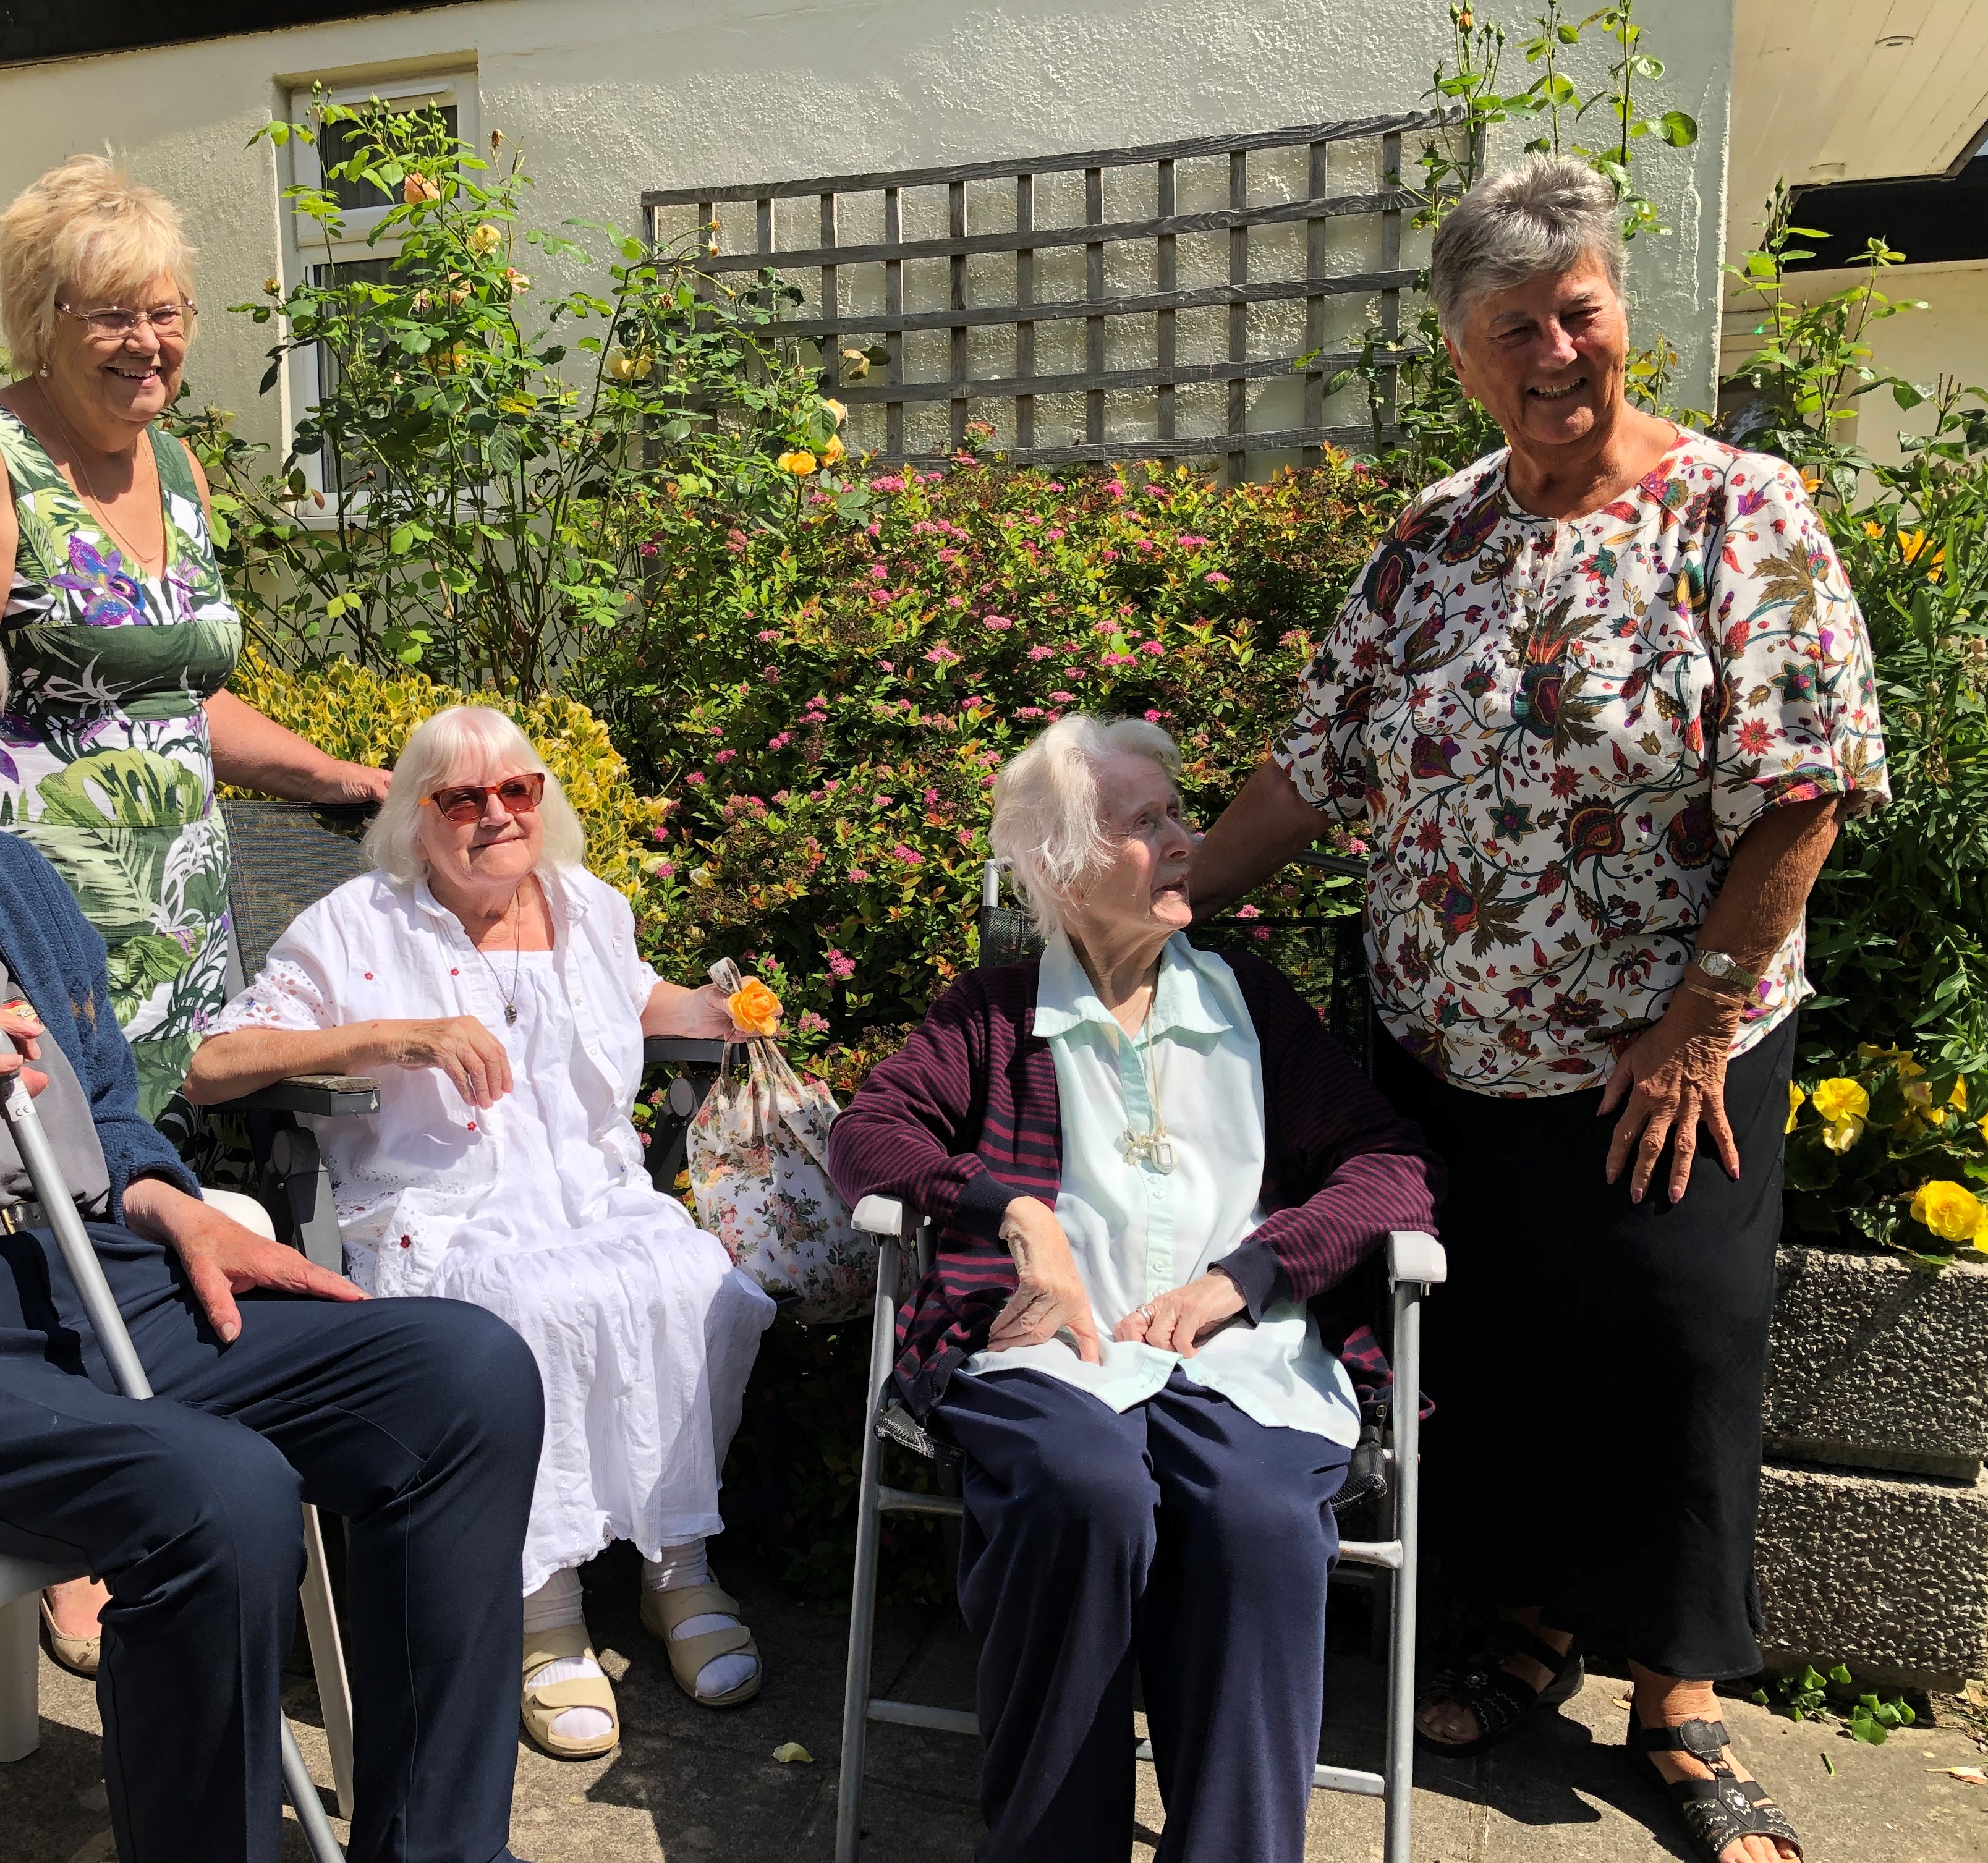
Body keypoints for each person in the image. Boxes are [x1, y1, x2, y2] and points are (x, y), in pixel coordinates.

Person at [1189, 155, 1887, 1863]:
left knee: (1674, 1333)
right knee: (1483, 1346)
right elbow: (1316, 759)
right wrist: (1166, 892)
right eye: (1518, 327)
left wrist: (1703, 1011)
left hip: (1669, 1043)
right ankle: (1522, 1630)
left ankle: (1681, 1697)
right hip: (1442, 1043)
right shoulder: (1433, 532)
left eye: (1581, 309)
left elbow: (1803, 786)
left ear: (1620, 311)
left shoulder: (1739, 509)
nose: (1559, 350)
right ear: (1465, 356)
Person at [825, 713, 1442, 1863]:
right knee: (1082, 1492)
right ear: (1062, 867)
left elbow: (1390, 1168)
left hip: (1242, 1351)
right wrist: (1014, 1212)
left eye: (1178, 813)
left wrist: (1249, 1274)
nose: (1186, 839)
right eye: (1146, 822)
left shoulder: (1250, 1007)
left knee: (1259, 1517)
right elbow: (867, 1134)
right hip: (1049, 1347)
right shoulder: (995, 1016)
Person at [186, 705, 777, 1759]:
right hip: (444, 1208)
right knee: (521, 1310)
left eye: (519, 791)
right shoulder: (358, 925)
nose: (496, 815)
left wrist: (715, 1009)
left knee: (700, 1279)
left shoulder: (589, 907)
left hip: (592, 1197)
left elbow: (626, 997)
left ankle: (675, 1566)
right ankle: (542, 1614)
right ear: (419, 821)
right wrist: (399, 1033)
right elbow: (214, 1062)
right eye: (463, 798)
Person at [0, 823, 543, 1863]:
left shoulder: (14, 874)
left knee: (464, 1379)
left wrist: (168, 1201)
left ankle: (439, 1851)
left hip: (95, 1265)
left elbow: (111, 1109)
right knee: (221, 1493)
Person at [0, 153, 390, 1123]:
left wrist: (337, 776)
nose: (148, 342)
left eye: (166, 313)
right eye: (112, 315)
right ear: (39, 324)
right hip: (43, 948)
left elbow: (177, 696)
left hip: (184, 946)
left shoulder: (178, 472)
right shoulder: (7, 474)